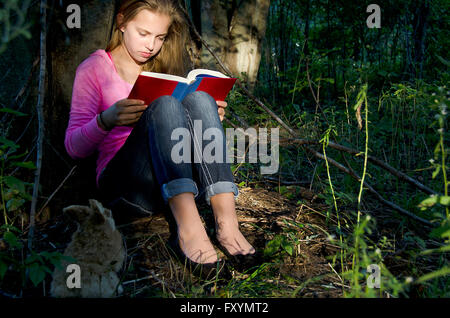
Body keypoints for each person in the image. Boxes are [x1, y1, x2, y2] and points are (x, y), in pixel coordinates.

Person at [64, 0, 255, 272]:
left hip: (174, 179)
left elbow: (175, 136)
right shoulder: (94, 69)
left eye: (160, 37)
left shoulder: (161, 66)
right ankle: (189, 229)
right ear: (121, 23)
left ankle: (228, 224)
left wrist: (208, 115)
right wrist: (107, 120)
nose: (151, 45)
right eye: (143, 33)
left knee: (200, 99)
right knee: (164, 106)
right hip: (126, 188)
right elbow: (73, 148)